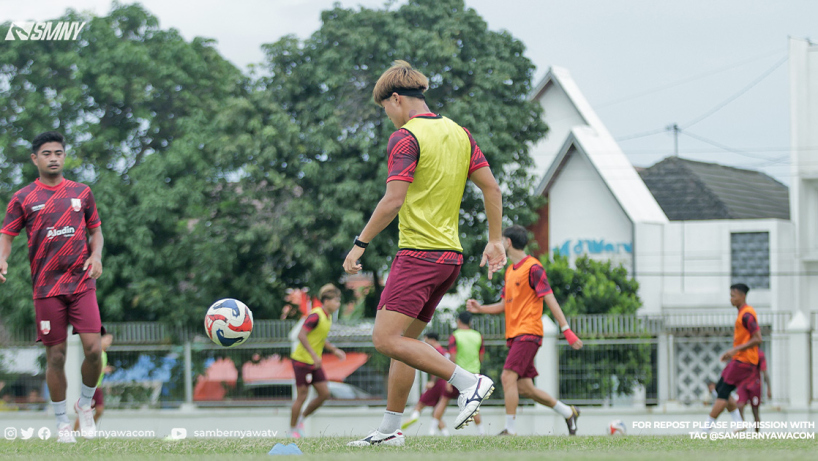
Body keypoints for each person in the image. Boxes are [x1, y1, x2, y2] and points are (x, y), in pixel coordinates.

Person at [343, 61, 506, 447]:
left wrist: (359, 243)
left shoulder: (406, 137)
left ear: (396, 99)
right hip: (449, 259)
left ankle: (470, 383)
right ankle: (388, 432)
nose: (388, 118)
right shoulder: (460, 133)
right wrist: (495, 239)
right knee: (406, 348)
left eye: (386, 109)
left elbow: (392, 200)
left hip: (418, 255)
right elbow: (493, 189)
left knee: (384, 340)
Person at [0, 131, 105, 443]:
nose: (54, 158)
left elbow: (96, 231)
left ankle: (84, 405)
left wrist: (96, 255)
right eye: (47, 153)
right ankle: (61, 423)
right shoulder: (23, 198)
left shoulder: (82, 192)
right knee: (56, 356)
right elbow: (6, 235)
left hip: (81, 282)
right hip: (46, 288)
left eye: (58, 152)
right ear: (35, 159)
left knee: (94, 349)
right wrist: (2, 259)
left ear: (64, 155)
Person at [467, 225, 584, 436]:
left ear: (508, 243)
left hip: (528, 332)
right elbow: (504, 305)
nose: (500, 244)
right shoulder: (510, 272)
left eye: (501, 240)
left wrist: (566, 330)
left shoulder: (533, 267)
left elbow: (550, 298)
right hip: (515, 335)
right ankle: (568, 412)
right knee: (524, 388)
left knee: (507, 377)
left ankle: (510, 430)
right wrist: (480, 309)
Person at [289, 284, 346, 438]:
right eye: (336, 300)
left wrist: (334, 350)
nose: (338, 304)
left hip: (314, 362)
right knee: (302, 396)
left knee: (324, 393)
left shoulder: (327, 318)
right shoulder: (316, 315)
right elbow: (301, 335)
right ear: (326, 301)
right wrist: (314, 356)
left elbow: (320, 338)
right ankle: (292, 431)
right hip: (302, 361)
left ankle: (301, 419)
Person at [703, 283, 760, 433]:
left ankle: (705, 430)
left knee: (723, 392)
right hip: (739, 359)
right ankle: (738, 422)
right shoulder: (742, 313)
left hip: (744, 361)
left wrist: (734, 350)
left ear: (742, 296)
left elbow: (757, 338)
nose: (731, 299)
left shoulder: (747, 314)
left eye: (733, 296)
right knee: (720, 388)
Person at [400, 332, 459, 436]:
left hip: (438, 382)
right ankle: (446, 435)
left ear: (432, 340)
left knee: (419, 404)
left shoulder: (435, 351)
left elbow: (437, 367)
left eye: (426, 340)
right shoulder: (445, 351)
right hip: (446, 381)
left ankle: (414, 418)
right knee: (436, 412)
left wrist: (432, 381)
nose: (425, 343)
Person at [438, 311, 487, 435]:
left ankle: (433, 430)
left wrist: (449, 378)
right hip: (474, 375)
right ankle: (482, 433)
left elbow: (453, 357)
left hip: (458, 374)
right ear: (470, 322)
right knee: (473, 405)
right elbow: (481, 356)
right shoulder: (478, 336)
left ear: (458, 321)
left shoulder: (455, 335)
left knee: (443, 401)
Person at [74, 333, 113, 432]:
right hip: (91, 387)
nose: (109, 343)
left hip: (98, 387)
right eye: (107, 340)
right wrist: (103, 370)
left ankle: (88, 429)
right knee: (85, 411)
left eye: (110, 341)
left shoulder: (104, 354)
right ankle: (72, 432)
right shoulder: (96, 353)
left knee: (99, 411)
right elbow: (91, 367)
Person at [736, 349, 771, 432]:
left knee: (755, 411)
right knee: (740, 406)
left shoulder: (759, 354)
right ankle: (742, 426)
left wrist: (769, 388)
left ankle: (756, 433)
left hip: (755, 386)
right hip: (743, 385)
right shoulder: (741, 352)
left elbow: (764, 372)